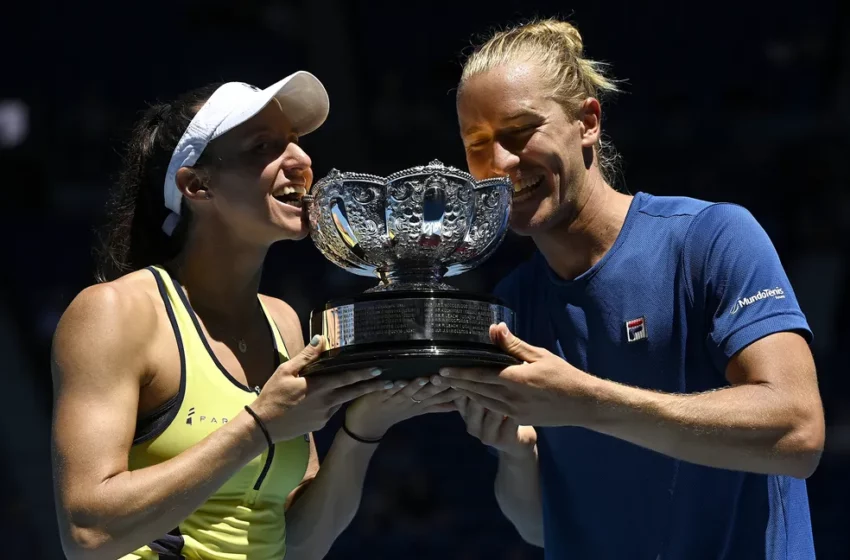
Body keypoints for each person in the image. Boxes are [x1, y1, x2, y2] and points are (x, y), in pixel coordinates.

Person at [441, 18, 825, 559]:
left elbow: (798, 434)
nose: (500, 163)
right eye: (476, 143)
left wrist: (585, 402)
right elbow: (539, 528)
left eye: (520, 130)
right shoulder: (514, 301)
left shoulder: (712, 238)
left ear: (588, 122)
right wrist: (510, 450)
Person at [50, 72, 456, 560]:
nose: (302, 161)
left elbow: (302, 543)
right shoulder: (115, 313)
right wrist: (259, 425)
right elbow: (87, 535)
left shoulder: (284, 322)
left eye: (295, 143)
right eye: (262, 147)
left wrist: (362, 428)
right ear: (197, 186)